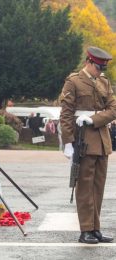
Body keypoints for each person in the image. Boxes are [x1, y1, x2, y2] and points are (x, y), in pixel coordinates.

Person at [60, 46, 116, 244]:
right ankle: (86, 230)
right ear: (88, 62)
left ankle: (95, 228)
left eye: (102, 68)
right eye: (98, 67)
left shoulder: (104, 82)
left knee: (98, 187)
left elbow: (113, 108)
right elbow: (66, 114)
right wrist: (68, 142)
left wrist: (93, 119)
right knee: (84, 187)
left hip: (101, 139)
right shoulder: (73, 81)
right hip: (82, 140)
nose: (100, 71)